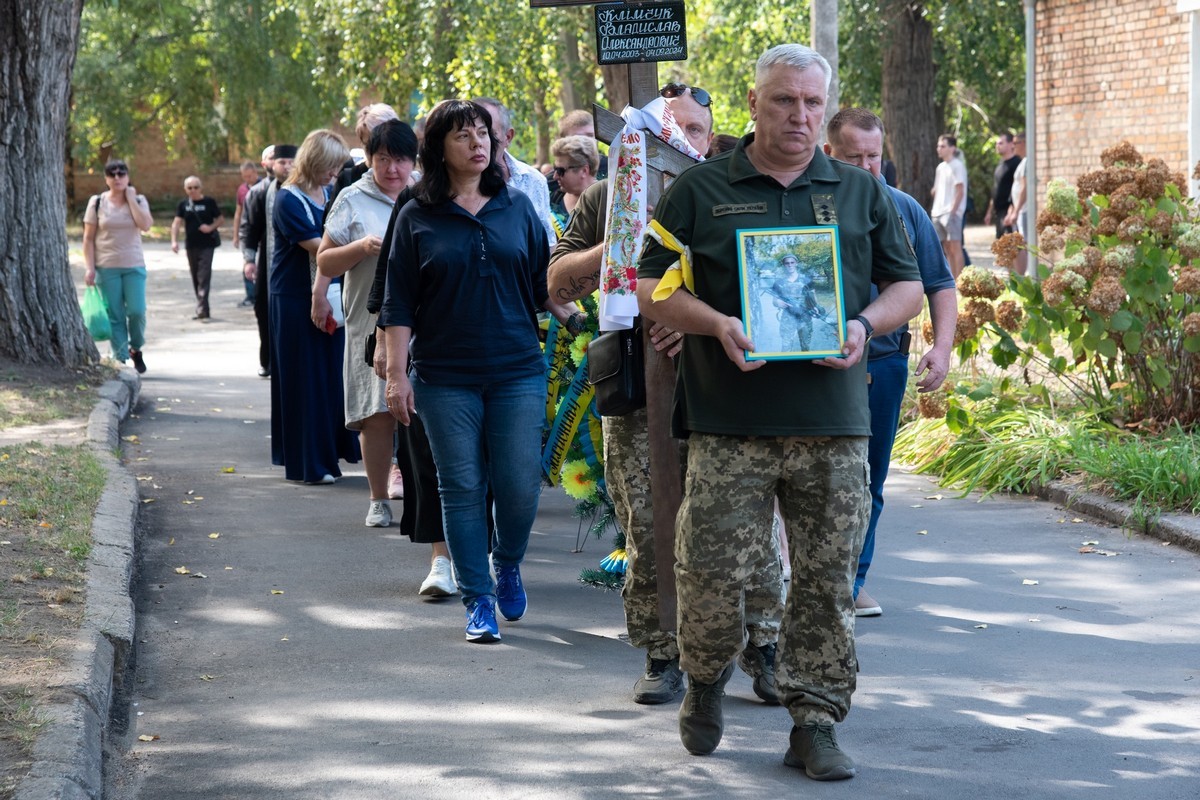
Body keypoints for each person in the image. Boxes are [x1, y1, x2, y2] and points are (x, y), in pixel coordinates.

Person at [635, 44, 922, 779]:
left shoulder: (862, 195)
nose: (799, 116)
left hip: (832, 425)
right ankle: (703, 680)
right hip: (729, 423)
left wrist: (863, 326)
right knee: (707, 572)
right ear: (756, 104)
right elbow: (651, 286)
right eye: (784, 101)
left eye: (812, 103)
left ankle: (815, 722)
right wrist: (718, 324)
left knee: (826, 583)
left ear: (824, 109)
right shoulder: (699, 191)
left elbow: (908, 287)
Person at [550, 84, 784, 708]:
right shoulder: (605, 194)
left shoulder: (734, 188)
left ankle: (763, 645)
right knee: (647, 517)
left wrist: (691, 315)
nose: (679, 142)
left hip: (725, 380)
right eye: (664, 129)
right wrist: (622, 243)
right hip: (635, 386)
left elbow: (772, 280)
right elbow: (557, 282)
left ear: (713, 136)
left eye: (694, 131)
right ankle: (661, 651)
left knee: (747, 522)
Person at [381, 99, 551, 643]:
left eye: (483, 134)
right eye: (463, 136)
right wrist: (395, 373)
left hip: (518, 369)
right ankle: (478, 599)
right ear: (438, 148)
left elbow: (543, 285)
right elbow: (398, 303)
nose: (478, 143)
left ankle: (508, 562)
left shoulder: (518, 206)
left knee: (520, 484)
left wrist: (588, 310)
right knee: (461, 486)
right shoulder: (415, 215)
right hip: (444, 375)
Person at [824, 107, 958, 618]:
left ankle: (853, 582)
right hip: (815, 366)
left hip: (883, 363)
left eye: (875, 155)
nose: (868, 166)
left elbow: (939, 283)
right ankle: (796, 575)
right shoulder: (809, 204)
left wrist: (941, 348)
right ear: (829, 153)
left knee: (869, 478)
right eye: (855, 157)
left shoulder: (905, 209)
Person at [317, 120, 418, 531]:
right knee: (376, 413)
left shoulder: (425, 197)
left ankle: (421, 498)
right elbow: (324, 261)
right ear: (369, 160)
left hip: (421, 324)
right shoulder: (351, 199)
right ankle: (378, 498)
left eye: (400, 160)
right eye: (382, 160)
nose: (392, 169)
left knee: (420, 414)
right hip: (368, 322)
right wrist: (360, 247)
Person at [269, 129, 361, 484]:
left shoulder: (327, 192)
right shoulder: (287, 200)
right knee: (304, 380)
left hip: (329, 295)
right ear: (315, 162)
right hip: (294, 298)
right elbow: (320, 248)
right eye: (330, 167)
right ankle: (310, 463)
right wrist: (357, 247)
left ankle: (331, 452)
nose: (334, 175)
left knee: (328, 378)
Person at [82, 158, 153, 373]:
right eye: (112, 174)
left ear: (128, 177)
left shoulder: (139, 200)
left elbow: (146, 225)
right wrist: (90, 267)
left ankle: (136, 348)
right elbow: (88, 238)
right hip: (107, 266)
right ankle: (120, 358)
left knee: (137, 311)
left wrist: (131, 199)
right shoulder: (97, 202)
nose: (117, 177)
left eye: (121, 173)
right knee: (115, 315)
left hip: (134, 265)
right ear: (106, 179)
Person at [471, 97, 557, 247]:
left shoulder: (533, 181)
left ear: (508, 137)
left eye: (486, 133)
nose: (478, 142)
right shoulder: (451, 183)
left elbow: (547, 245)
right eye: (466, 135)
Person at [241, 144, 295, 378]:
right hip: (268, 261)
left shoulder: (306, 189)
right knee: (264, 310)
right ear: (271, 164)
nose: (286, 166)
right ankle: (268, 360)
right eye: (281, 162)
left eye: (290, 161)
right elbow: (249, 229)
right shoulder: (260, 192)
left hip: (296, 262)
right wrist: (249, 260)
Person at [170, 176, 224, 321]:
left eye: (195, 187)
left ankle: (201, 308)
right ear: (185, 189)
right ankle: (203, 308)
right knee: (195, 276)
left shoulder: (209, 202)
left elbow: (220, 219)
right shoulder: (183, 204)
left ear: (201, 188)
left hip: (207, 245)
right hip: (191, 245)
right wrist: (174, 241)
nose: (193, 190)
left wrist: (210, 227)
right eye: (189, 188)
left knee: (204, 275)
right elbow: (176, 223)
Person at [931, 133, 968, 278]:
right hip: (937, 213)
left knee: (955, 248)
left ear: (952, 148)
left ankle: (961, 283)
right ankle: (951, 280)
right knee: (946, 249)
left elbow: (960, 191)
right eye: (938, 146)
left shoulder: (958, 166)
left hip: (951, 214)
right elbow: (936, 190)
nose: (939, 149)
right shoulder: (940, 167)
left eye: (943, 146)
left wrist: (952, 212)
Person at [769, 255, 824, 351]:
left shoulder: (807, 280)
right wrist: (778, 302)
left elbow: (813, 297)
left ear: (796, 263)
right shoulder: (779, 283)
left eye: (792, 262)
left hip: (805, 316)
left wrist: (815, 307)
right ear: (784, 265)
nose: (790, 265)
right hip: (787, 319)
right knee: (786, 347)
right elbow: (774, 301)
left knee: (805, 346)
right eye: (787, 263)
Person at [548, 134, 600, 235]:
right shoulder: (553, 199)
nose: (555, 176)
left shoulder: (608, 203)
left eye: (560, 170)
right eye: (554, 169)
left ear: (584, 171)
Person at [232, 160, 260, 306]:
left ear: (256, 172)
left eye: (250, 176)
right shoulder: (242, 190)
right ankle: (250, 295)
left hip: (260, 232)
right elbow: (238, 213)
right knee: (248, 264)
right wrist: (235, 235)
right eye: (245, 176)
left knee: (261, 265)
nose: (248, 179)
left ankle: (260, 293)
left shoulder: (264, 186)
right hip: (246, 231)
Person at [984, 132, 1021, 239]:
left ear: (1011, 144)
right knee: (1002, 247)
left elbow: (1017, 189)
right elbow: (996, 189)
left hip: (1008, 211)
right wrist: (989, 212)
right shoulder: (1000, 164)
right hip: (999, 212)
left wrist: (1012, 211)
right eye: (997, 144)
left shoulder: (1016, 163)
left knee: (1013, 248)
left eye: (1001, 143)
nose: (997, 146)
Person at [1003, 132, 1029, 275]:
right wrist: (1012, 210)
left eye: (1016, 143)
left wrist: (1017, 210)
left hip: (1024, 210)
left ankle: (1025, 275)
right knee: (1019, 243)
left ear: (1024, 143)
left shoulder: (1027, 162)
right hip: (1019, 210)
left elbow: (1025, 188)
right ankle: (1020, 276)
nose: (1013, 146)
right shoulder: (1022, 162)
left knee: (1024, 244)